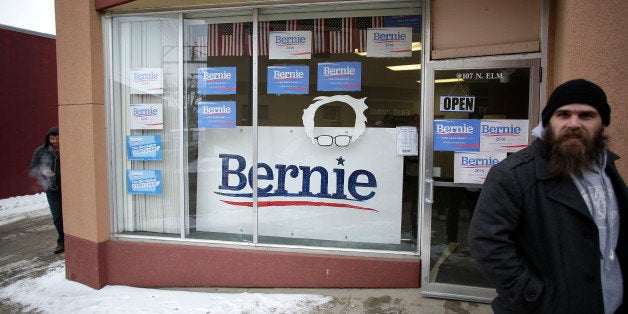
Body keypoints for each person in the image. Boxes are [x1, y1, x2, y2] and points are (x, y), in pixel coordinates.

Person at [468, 79, 627, 313]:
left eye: (586, 115)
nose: (574, 123)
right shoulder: (514, 174)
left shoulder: (607, 168)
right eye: (563, 115)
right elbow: (487, 244)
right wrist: (534, 295)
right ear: (549, 122)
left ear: (602, 123)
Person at [29, 126, 64, 254]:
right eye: (52, 138)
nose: (55, 141)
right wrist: (43, 172)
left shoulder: (67, 149)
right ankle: (62, 242)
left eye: (57, 138)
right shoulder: (41, 151)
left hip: (68, 188)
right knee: (57, 216)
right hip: (51, 188)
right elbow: (32, 168)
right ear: (48, 138)